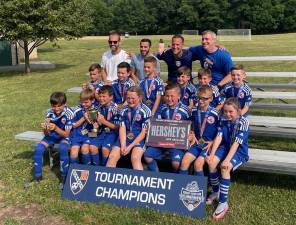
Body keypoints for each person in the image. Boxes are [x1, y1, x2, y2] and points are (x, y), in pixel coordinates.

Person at [206, 97, 249, 220]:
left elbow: (236, 143)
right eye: (225, 111)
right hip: (225, 147)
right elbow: (219, 137)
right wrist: (212, 154)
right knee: (211, 163)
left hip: (239, 151)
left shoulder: (244, 122)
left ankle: (223, 203)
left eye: (231, 112)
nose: (227, 114)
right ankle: (216, 192)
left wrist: (226, 160)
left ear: (238, 111)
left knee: (225, 167)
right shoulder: (223, 119)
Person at [144, 84, 191, 173]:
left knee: (176, 164)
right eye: (167, 96)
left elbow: (191, 126)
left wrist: (191, 134)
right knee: (147, 155)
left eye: (172, 96)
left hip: (177, 143)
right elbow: (157, 123)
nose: (169, 99)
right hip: (163, 141)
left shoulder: (186, 110)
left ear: (179, 96)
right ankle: (156, 176)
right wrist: (150, 129)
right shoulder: (162, 108)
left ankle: (173, 179)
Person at [32, 92, 74, 184]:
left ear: (65, 104)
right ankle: (37, 176)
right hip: (53, 136)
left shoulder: (69, 113)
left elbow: (67, 135)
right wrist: (45, 128)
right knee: (39, 149)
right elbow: (47, 134)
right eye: (54, 106)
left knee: (63, 148)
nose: (56, 109)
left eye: (59, 106)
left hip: (65, 136)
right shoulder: (50, 113)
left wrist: (55, 128)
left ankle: (64, 177)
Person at [106, 86, 151, 170]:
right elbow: (122, 128)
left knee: (135, 158)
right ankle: (108, 182)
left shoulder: (146, 111)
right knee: (112, 156)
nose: (130, 100)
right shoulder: (123, 110)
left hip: (139, 138)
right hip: (125, 137)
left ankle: (139, 182)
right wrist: (123, 145)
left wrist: (129, 147)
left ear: (140, 97)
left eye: (133, 98)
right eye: (128, 98)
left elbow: (143, 133)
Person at [179, 85, 219, 175]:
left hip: (208, 145)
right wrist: (192, 133)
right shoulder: (193, 110)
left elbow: (220, 132)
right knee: (184, 162)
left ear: (211, 98)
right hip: (196, 143)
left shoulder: (216, 113)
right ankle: (181, 187)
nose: (201, 101)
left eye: (204, 98)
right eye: (198, 98)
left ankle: (198, 188)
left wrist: (213, 142)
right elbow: (189, 123)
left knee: (198, 164)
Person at [69, 89, 98, 166]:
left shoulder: (95, 110)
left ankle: (87, 170)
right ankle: (74, 171)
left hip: (88, 134)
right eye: (82, 102)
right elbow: (74, 125)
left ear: (92, 100)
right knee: (73, 152)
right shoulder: (77, 110)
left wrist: (92, 136)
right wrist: (83, 118)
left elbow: (95, 126)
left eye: (86, 102)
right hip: (77, 134)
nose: (84, 104)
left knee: (85, 149)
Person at [95, 85, 120, 166]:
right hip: (102, 131)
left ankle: (103, 170)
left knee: (105, 149)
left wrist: (103, 121)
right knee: (91, 146)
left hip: (113, 133)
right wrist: (96, 123)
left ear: (111, 97)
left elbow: (117, 128)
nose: (101, 98)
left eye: (104, 96)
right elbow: (98, 124)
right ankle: (93, 169)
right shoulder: (99, 107)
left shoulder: (115, 108)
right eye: (100, 96)